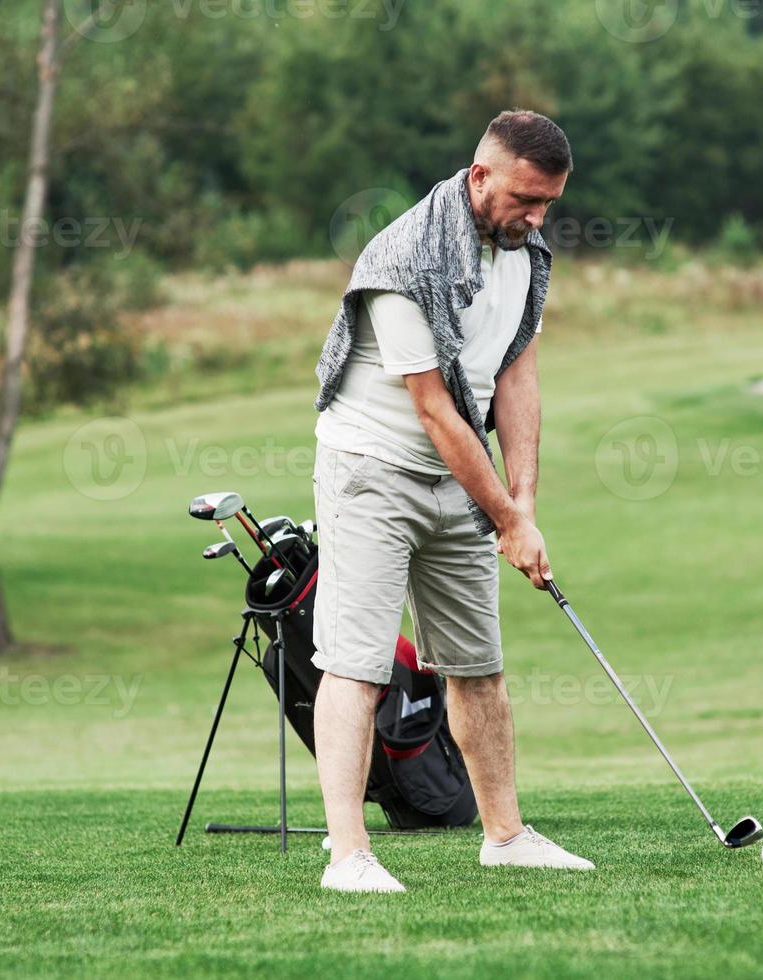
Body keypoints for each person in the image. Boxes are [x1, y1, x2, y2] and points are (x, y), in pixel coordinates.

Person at [309, 109, 594, 892]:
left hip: (459, 480)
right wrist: (504, 517)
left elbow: (516, 372)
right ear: (480, 177)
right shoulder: (403, 259)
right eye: (526, 200)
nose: (537, 219)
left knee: (477, 665)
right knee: (358, 664)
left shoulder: (525, 251)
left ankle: (505, 836)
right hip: (373, 471)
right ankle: (348, 855)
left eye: (549, 204)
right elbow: (435, 409)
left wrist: (524, 502)